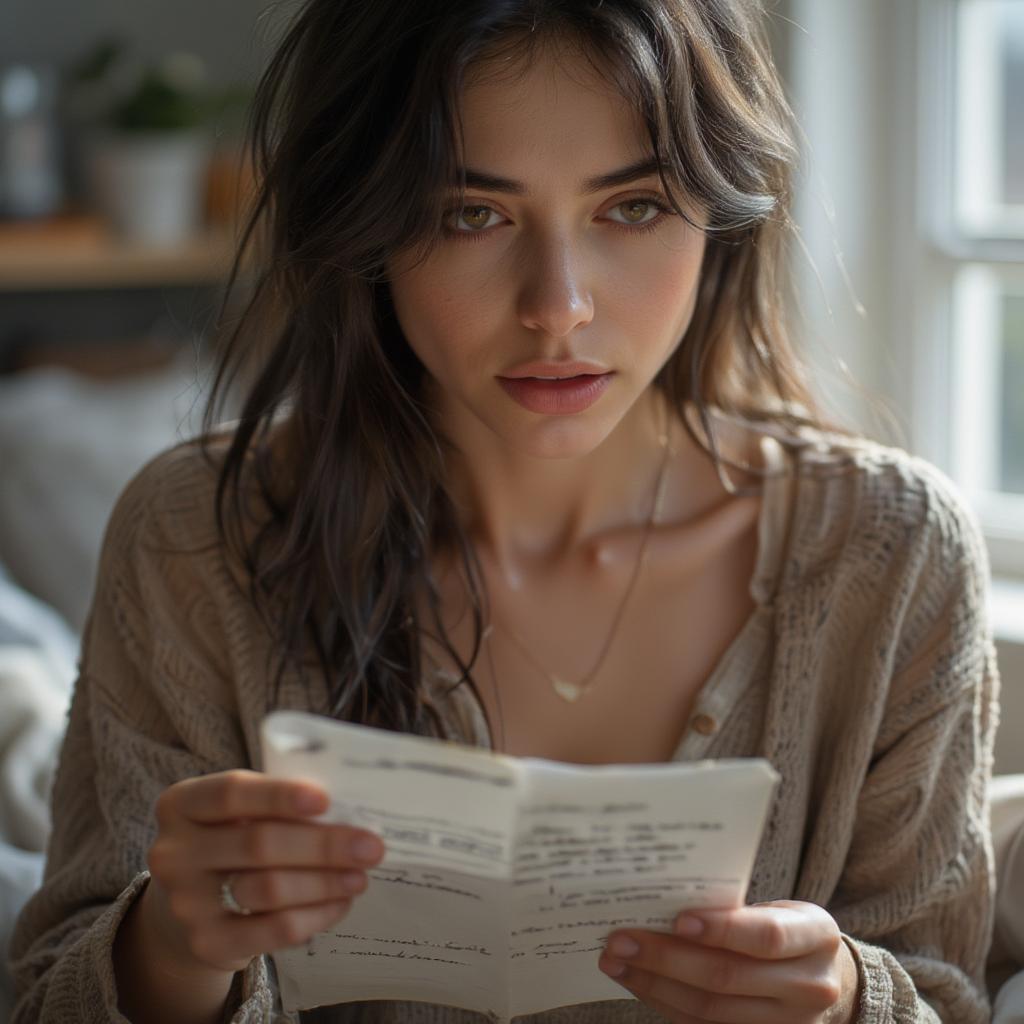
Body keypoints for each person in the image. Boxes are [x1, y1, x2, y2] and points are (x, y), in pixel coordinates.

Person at [8, 0, 1001, 1022]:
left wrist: (845, 995)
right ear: (366, 227)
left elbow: (948, 996)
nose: (558, 305)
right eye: (470, 214)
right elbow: (49, 995)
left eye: (634, 206)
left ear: (718, 213)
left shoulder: (889, 553)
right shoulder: (194, 539)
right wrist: (171, 950)